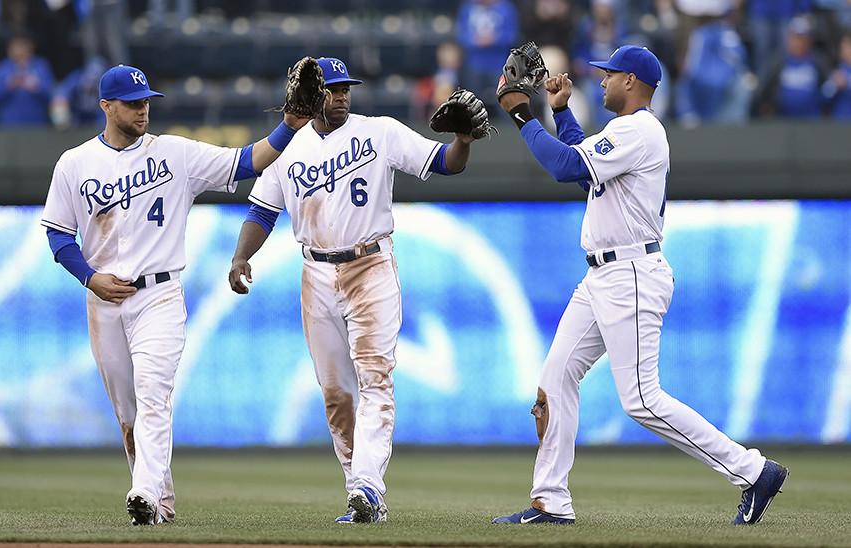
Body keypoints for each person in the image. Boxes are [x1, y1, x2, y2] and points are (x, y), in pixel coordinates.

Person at [492, 45, 789, 525]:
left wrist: (523, 115)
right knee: (556, 376)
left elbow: (566, 167)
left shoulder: (640, 130)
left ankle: (753, 471)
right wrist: (562, 112)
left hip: (629, 274)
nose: (602, 81)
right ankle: (551, 502)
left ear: (631, 81)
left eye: (609, 75)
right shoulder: (624, 131)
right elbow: (584, 170)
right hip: (602, 276)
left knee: (642, 399)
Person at [40, 63, 311, 525]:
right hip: (104, 299)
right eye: (132, 102)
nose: (143, 109)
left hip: (160, 295)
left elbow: (245, 162)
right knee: (128, 414)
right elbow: (59, 235)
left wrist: (287, 126)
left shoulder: (175, 154)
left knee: (153, 394)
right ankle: (157, 503)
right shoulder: (75, 162)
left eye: (147, 101)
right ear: (107, 106)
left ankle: (142, 491)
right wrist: (88, 277)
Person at [228, 57, 483, 524]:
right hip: (316, 272)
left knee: (375, 378)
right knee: (335, 393)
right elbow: (262, 211)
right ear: (312, 96)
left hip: (371, 265)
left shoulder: (380, 130)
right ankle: (359, 489)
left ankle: (368, 486)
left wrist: (462, 139)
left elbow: (444, 164)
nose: (342, 95)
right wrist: (241, 256)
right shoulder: (288, 147)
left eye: (346, 87)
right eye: (332, 89)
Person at [0, 34, 54, 127]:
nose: (18, 51)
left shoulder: (41, 66)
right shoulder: (1, 68)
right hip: (8, 125)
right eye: (15, 47)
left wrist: (35, 86)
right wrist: (10, 85)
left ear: (30, 48)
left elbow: (50, 93)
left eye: (22, 46)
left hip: (37, 124)